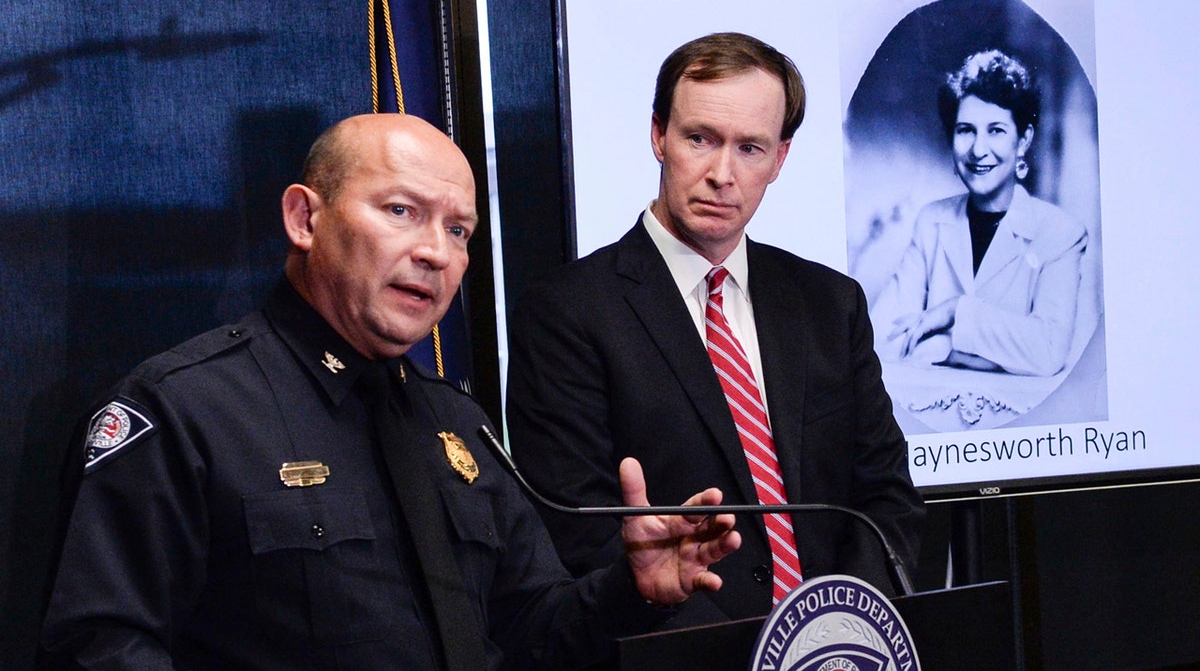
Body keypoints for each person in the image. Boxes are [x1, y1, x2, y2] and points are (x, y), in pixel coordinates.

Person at [37, 113, 741, 670]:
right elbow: (97, 647)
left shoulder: (458, 425)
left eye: (458, 228)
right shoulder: (183, 411)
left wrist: (633, 589)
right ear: (304, 220)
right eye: (401, 211)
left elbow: (528, 634)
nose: (436, 250)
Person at [505, 32, 925, 630]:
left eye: (750, 148)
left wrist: (837, 630)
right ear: (659, 136)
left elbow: (886, 499)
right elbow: (578, 539)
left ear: (780, 160)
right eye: (699, 138)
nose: (721, 173)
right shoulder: (565, 312)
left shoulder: (831, 303)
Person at [871, 49, 1088, 377]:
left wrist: (956, 312)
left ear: (1024, 140)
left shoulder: (1060, 233)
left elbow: (1048, 353)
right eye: (966, 130)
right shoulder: (932, 221)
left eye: (996, 130)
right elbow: (878, 340)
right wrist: (959, 349)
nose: (978, 149)